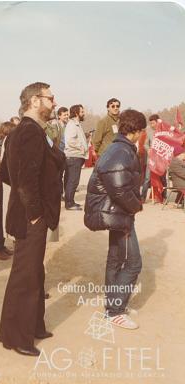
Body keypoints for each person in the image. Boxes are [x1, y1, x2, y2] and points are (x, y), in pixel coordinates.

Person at [0, 82, 65, 356]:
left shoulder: (30, 131)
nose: (54, 101)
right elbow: (23, 180)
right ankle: (17, 338)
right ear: (35, 101)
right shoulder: (28, 132)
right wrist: (36, 212)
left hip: (29, 213)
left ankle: (33, 326)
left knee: (34, 271)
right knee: (25, 275)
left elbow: (4, 173)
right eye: (50, 97)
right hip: (30, 216)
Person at [84, 109, 146, 329]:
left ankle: (113, 304)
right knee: (133, 263)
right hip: (119, 214)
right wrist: (136, 206)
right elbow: (119, 188)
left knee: (116, 258)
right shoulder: (122, 150)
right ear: (137, 131)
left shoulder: (118, 147)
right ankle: (115, 310)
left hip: (116, 214)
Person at [0, 121, 15, 260]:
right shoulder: (0, 146)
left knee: (3, 218)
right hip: (2, 187)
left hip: (4, 186)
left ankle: (0, 245)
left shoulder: (6, 144)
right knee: (1, 219)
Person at [64, 104, 88, 210]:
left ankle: (70, 201)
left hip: (75, 156)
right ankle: (69, 204)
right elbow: (70, 140)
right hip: (74, 156)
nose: (84, 114)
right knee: (73, 181)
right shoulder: (72, 125)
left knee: (72, 180)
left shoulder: (76, 124)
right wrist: (82, 147)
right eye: (82, 112)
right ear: (77, 113)